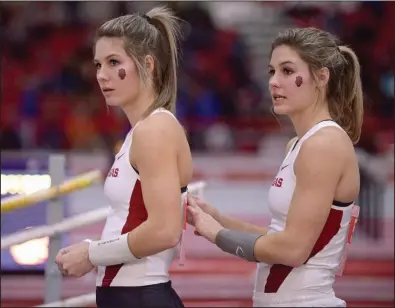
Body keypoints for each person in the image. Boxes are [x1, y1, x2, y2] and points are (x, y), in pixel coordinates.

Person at [187, 27, 363, 307]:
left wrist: (216, 234)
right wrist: (216, 218)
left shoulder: (324, 144)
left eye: (287, 71)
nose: (274, 82)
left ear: (321, 77)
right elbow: (280, 236)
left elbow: (292, 250)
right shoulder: (298, 144)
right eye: (272, 72)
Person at [55, 6, 193, 308]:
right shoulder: (140, 131)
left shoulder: (154, 129)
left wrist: (91, 253)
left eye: (113, 62)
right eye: (97, 64)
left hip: (140, 294)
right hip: (130, 294)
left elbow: (165, 230)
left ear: (148, 64)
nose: (101, 75)